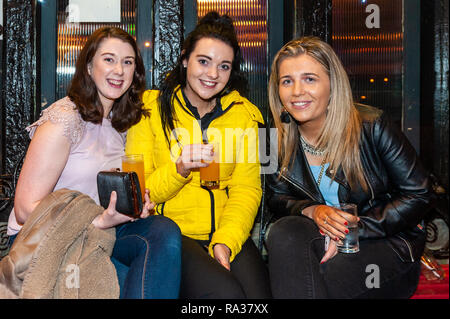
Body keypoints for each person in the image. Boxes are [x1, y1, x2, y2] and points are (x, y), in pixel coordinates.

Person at [7, 27, 182, 299]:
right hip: (42, 241)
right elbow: (24, 210)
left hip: (96, 235)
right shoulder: (64, 119)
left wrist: (134, 205)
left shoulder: (122, 125)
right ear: (89, 66)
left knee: (163, 230)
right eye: (109, 59)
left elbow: (105, 195)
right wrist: (98, 220)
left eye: (128, 62)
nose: (119, 70)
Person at [265, 36, 433, 299]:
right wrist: (314, 210)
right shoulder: (272, 138)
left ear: (332, 85)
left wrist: (351, 229)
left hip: (386, 242)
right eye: (287, 81)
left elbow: (420, 194)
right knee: (283, 232)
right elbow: (276, 198)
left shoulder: (372, 125)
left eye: (310, 78)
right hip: (320, 236)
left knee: (324, 279)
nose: (297, 91)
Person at [126, 12, 271, 298]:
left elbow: (248, 189)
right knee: (226, 295)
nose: (213, 74)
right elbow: (137, 191)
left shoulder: (244, 115)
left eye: (224, 66)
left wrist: (225, 241)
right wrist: (178, 169)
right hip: (172, 236)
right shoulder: (150, 109)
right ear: (184, 59)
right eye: (203, 61)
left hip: (229, 231)